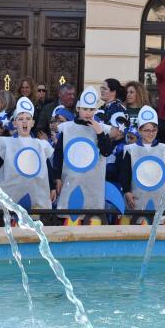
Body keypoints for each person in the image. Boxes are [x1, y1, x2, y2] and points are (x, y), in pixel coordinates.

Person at [0, 97, 56, 219]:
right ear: (14, 123)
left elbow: (47, 167)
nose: (24, 122)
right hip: (11, 193)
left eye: (28, 119)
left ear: (32, 123)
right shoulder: (6, 144)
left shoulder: (40, 145)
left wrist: (52, 187)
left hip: (35, 195)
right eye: (21, 119)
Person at [54, 86, 112, 225]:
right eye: (85, 109)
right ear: (78, 108)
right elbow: (59, 154)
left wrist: (100, 133)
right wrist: (57, 177)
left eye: (91, 109)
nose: (88, 113)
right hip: (71, 180)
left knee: (92, 224)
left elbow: (106, 152)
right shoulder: (66, 128)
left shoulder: (102, 129)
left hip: (93, 184)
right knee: (70, 222)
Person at [120, 106, 165, 221]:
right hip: (138, 195)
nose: (151, 133)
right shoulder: (130, 149)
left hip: (159, 195)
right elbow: (125, 173)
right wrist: (127, 191)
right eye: (147, 130)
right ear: (139, 130)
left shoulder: (164, 149)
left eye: (154, 130)